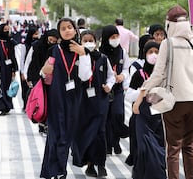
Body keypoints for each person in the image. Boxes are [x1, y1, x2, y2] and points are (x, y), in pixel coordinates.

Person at [133, 5, 193, 179]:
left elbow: (158, 74)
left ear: (170, 24)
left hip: (175, 100)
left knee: (173, 147)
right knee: (189, 145)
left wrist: (141, 95)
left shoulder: (168, 43)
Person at [39, 18, 92, 179]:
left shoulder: (83, 51)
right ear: (60, 33)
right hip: (56, 98)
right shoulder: (54, 51)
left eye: (70, 27)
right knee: (55, 136)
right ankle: (57, 171)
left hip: (75, 100)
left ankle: (56, 170)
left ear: (76, 30)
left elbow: (85, 76)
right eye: (63, 29)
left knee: (67, 136)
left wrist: (82, 54)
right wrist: (43, 70)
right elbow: (45, 76)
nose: (67, 30)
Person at [71, 30, 115, 177]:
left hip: (100, 100)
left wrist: (109, 85)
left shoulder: (103, 58)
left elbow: (111, 76)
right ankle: (90, 164)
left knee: (99, 131)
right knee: (87, 132)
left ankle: (101, 164)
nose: (88, 43)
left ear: (96, 42)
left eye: (91, 40)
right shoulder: (77, 58)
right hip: (83, 101)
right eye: (85, 40)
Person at [125, 41, 166, 179]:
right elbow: (129, 95)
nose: (154, 55)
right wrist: (143, 91)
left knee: (158, 147)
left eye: (157, 52)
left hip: (159, 117)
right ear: (145, 54)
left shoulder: (165, 74)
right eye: (150, 52)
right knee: (144, 147)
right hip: (142, 116)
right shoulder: (139, 74)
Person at [99, 25, 130, 155]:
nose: (115, 39)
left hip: (117, 90)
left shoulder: (122, 51)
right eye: (112, 37)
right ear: (106, 38)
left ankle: (115, 141)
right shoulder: (100, 53)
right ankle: (106, 144)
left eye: (117, 36)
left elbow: (126, 68)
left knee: (118, 114)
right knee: (106, 117)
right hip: (104, 90)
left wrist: (122, 76)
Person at [24, 29, 59, 135]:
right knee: (40, 101)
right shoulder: (36, 45)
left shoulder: (55, 50)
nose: (52, 42)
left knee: (49, 102)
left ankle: (47, 124)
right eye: (50, 40)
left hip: (51, 79)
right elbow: (29, 60)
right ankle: (41, 123)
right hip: (36, 77)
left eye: (54, 41)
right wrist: (27, 76)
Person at [0, 23, 19, 116]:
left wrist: (14, 69)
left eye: (8, 29)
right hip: (0, 66)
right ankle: (2, 107)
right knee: (0, 85)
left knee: (8, 86)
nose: (7, 32)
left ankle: (8, 106)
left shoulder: (11, 42)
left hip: (9, 66)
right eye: (5, 30)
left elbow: (13, 55)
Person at [17, 25, 40, 111]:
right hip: (24, 70)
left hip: (33, 70)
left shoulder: (38, 45)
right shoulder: (24, 46)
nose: (36, 36)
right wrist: (23, 72)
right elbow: (22, 60)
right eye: (35, 34)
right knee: (25, 89)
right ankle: (25, 105)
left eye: (37, 34)